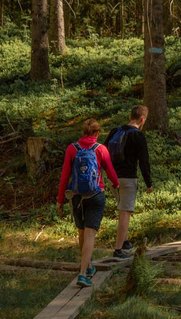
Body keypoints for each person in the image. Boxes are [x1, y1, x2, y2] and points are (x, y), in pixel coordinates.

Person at [57, 119, 119, 287]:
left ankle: (89, 266)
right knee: (90, 234)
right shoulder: (101, 149)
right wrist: (116, 184)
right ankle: (83, 274)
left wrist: (60, 200)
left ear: (83, 132)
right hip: (96, 194)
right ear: (97, 133)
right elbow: (110, 172)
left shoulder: (72, 148)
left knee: (81, 232)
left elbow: (65, 176)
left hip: (76, 196)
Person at [104, 104, 153, 259]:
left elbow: (103, 153)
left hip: (112, 179)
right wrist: (148, 183)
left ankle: (125, 242)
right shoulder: (138, 136)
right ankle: (118, 250)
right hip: (128, 179)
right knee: (125, 213)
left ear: (129, 117)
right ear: (142, 119)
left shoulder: (115, 131)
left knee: (122, 210)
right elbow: (144, 161)